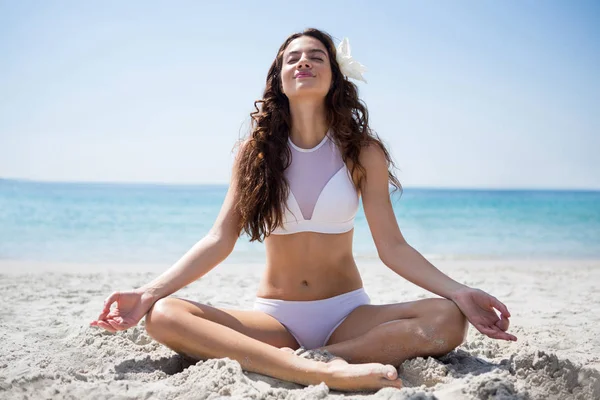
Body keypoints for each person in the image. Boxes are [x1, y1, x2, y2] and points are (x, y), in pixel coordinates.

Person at [90, 28, 516, 392]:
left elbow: (393, 247)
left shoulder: (362, 152)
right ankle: (308, 369)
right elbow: (220, 239)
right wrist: (148, 293)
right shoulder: (254, 155)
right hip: (276, 320)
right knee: (164, 314)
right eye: (293, 58)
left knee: (447, 319)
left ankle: (326, 358)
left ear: (334, 76)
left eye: (316, 57)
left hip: (348, 317)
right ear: (279, 77)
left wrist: (458, 291)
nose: (304, 63)